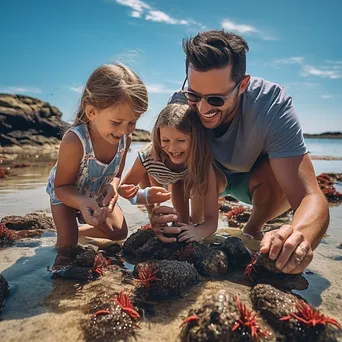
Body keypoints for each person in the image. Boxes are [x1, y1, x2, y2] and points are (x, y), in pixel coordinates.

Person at [150, 30, 329, 274]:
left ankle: (253, 228)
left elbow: (310, 196)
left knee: (283, 176)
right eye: (194, 95)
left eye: (215, 99)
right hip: (210, 176)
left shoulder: (272, 107)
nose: (202, 109)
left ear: (242, 85)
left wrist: (300, 236)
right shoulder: (180, 105)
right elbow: (165, 166)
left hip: (257, 180)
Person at [46, 63, 148, 250]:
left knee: (119, 233)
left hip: (96, 194)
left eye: (132, 122)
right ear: (92, 112)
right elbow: (61, 187)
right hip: (68, 196)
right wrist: (82, 202)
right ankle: (66, 235)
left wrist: (113, 187)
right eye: (116, 122)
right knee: (66, 246)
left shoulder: (125, 139)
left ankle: (77, 232)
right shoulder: (75, 141)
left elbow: (116, 175)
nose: (124, 130)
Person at [119, 103, 222, 243]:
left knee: (184, 223)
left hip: (183, 178)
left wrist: (199, 231)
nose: (173, 148)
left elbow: (211, 222)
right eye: (165, 140)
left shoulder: (202, 161)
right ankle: (152, 218)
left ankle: (186, 221)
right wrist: (146, 196)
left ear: (195, 138)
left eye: (180, 140)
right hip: (154, 175)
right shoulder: (148, 157)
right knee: (154, 212)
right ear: (158, 137)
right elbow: (123, 190)